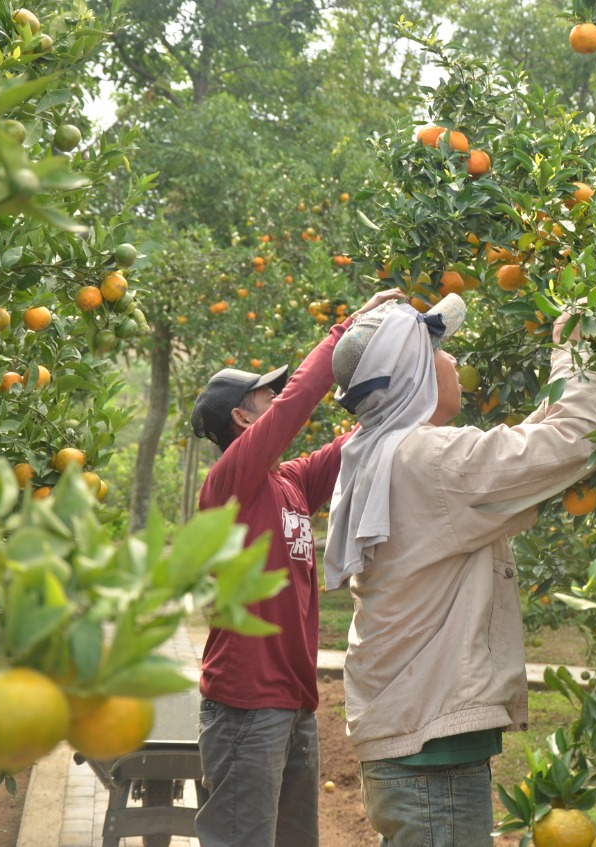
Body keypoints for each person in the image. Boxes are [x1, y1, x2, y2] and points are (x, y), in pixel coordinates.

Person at [324, 293, 596, 845]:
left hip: (411, 742)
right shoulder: (432, 461)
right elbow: (579, 438)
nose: (454, 361)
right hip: (430, 761)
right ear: (412, 373)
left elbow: (522, 462)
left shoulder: (386, 452)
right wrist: (574, 353)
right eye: (439, 351)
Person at [188, 287, 403, 847]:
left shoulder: (289, 481)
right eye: (265, 396)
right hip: (244, 707)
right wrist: (349, 328)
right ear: (241, 418)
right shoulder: (230, 484)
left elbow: (356, 443)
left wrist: (403, 366)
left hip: (292, 701)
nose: (276, 399)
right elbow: (297, 403)